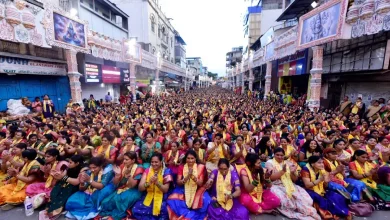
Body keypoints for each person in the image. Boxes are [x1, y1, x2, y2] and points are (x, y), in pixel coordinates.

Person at [265, 148, 320, 220]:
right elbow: (271, 178)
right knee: (285, 201)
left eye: (281, 155)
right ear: (274, 155)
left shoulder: (288, 163)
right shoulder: (269, 163)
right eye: (277, 155)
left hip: (290, 185)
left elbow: (294, 179)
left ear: (284, 155)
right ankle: (296, 210)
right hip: (276, 185)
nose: (279, 157)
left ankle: (305, 210)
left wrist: (292, 172)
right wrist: (282, 171)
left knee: (306, 200)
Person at [167, 150, 211, 219]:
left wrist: (192, 176)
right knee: (174, 201)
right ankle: (187, 216)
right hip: (183, 188)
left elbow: (200, 183)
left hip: (197, 188)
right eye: (188, 158)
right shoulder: (182, 166)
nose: (190, 160)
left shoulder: (201, 167)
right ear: (185, 159)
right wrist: (187, 177)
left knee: (206, 201)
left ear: (195, 159)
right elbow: (178, 181)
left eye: (192, 158)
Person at [100, 152, 144, 220]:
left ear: (133, 160)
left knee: (122, 200)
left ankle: (113, 217)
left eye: (126, 159)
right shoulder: (122, 166)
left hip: (134, 190)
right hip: (122, 188)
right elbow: (116, 184)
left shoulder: (139, 168)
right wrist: (117, 176)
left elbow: (132, 185)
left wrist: (128, 175)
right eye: (124, 159)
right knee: (105, 202)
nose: (124, 161)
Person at [40, 155, 84, 220]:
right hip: (66, 183)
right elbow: (62, 176)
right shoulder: (68, 167)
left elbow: (76, 182)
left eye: (71, 162)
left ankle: (56, 210)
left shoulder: (82, 170)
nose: (68, 164)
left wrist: (62, 177)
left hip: (74, 187)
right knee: (55, 190)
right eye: (69, 162)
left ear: (77, 163)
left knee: (63, 193)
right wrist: (55, 174)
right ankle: (50, 208)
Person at [132, 152, 173, 220]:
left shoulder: (166, 171)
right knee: (136, 209)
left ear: (161, 162)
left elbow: (165, 189)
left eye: (156, 162)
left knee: (163, 211)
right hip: (149, 194)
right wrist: (149, 183)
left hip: (162, 196)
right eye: (152, 162)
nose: (154, 164)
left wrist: (157, 183)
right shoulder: (147, 171)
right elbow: (140, 188)